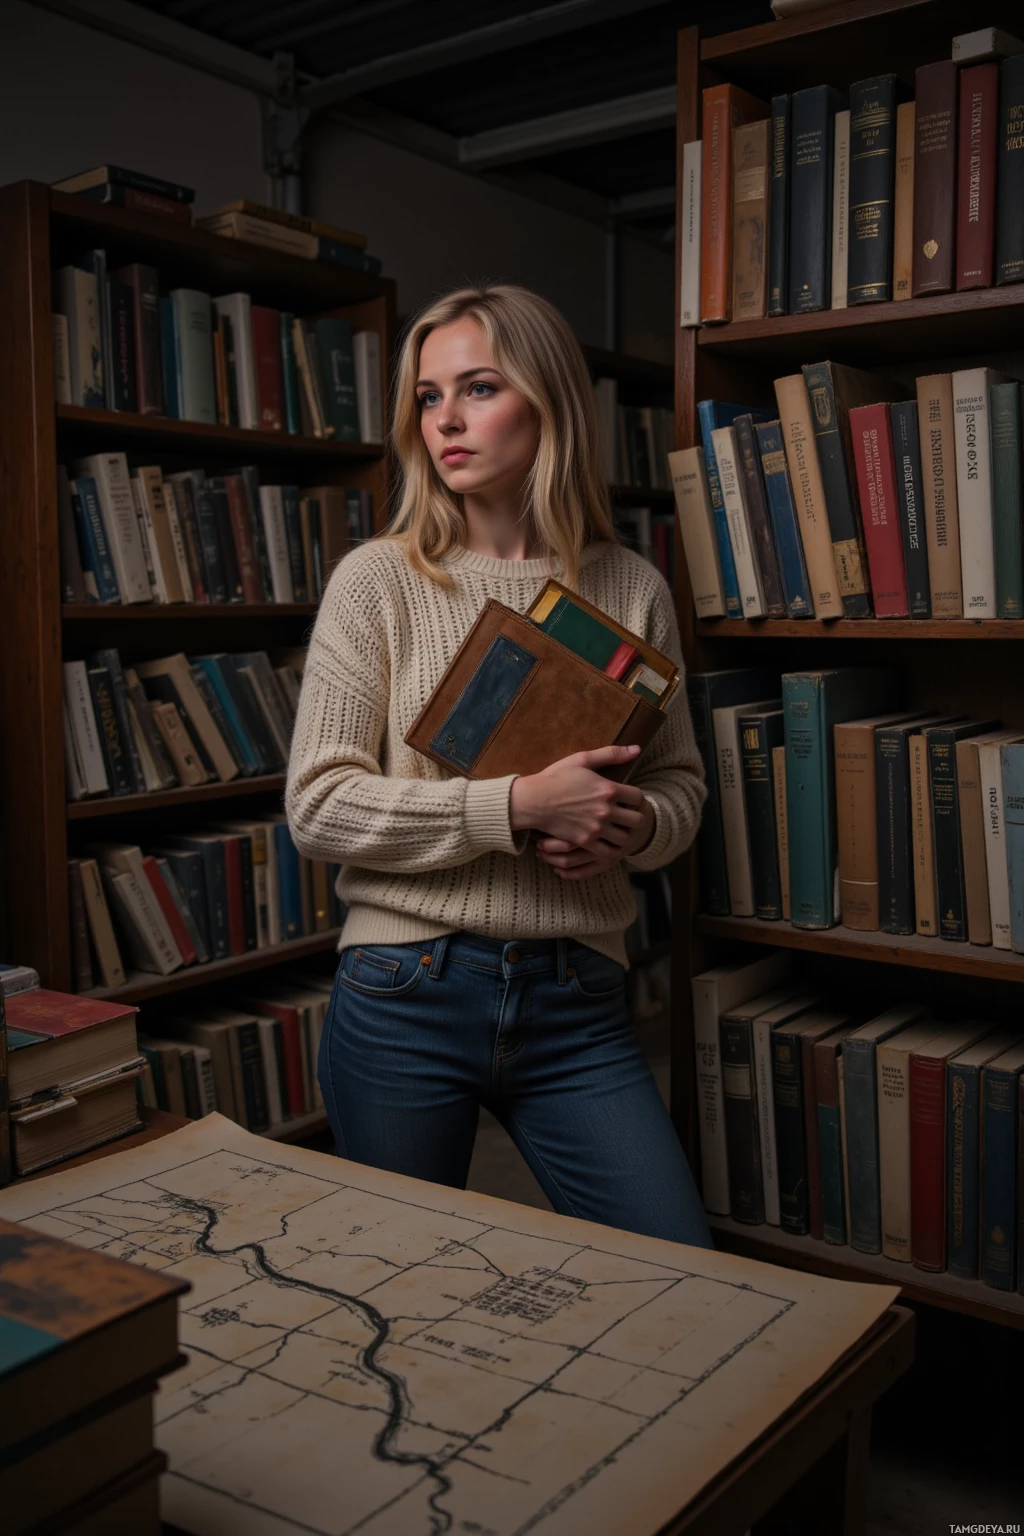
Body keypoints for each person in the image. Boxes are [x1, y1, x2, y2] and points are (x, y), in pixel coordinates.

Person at [285, 283, 711, 1247]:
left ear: (548, 400)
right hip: (405, 989)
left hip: (579, 998)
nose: (446, 421)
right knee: (403, 1292)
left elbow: (682, 788)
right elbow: (318, 808)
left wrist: (631, 827)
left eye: (477, 387)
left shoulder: (631, 585)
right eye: (428, 398)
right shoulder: (379, 579)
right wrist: (519, 804)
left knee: (677, 1262)